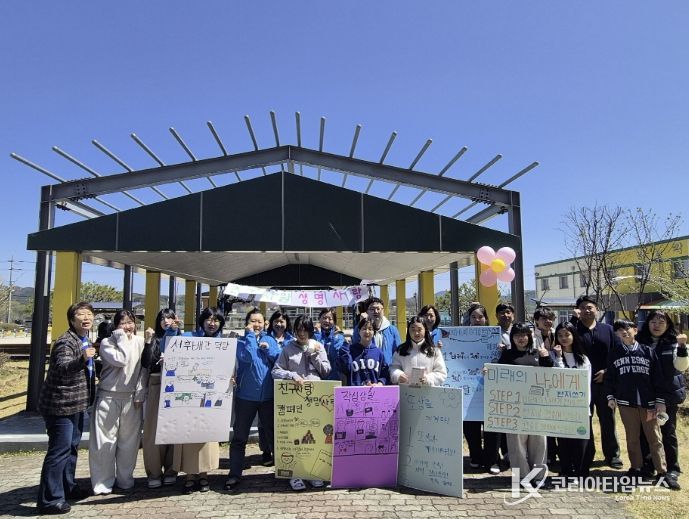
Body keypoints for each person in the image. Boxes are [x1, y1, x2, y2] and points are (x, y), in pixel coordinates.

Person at [37, 302, 97, 515]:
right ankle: (50, 500)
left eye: (89, 314)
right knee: (59, 451)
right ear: (72, 319)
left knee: (71, 448)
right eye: (81, 314)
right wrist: (83, 359)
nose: (86, 317)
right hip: (60, 406)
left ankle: (67, 487)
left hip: (77, 404)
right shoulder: (65, 342)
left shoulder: (83, 338)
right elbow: (63, 367)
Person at [606, 320, 673, 487]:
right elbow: (610, 378)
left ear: (635, 330)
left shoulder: (647, 351)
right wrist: (610, 397)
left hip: (648, 403)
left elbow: (657, 377)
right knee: (632, 437)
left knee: (654, 437)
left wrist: (660, 400)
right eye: (619, 330)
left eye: (627, 328)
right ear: (617, 334)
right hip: (626, 403)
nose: (624, 332)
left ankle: (662, 472)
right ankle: (636, 468)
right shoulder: (615, 353)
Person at [89, 309, 146, 495]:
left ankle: (125, 480)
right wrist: (121, 338)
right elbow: (122, 360)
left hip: (131, 398)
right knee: (104, 442)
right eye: (122, 323)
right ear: (115, 326)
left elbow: (143, 370)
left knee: (129, 443)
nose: (127, 326)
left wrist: (140, 393)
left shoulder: (140, 342)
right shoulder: (107, 343)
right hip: (108, 396)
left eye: (130, 322)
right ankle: (102, 483)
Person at [272, 314, 331, 491]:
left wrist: (314, 356)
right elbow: (275, 371)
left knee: (314, 436)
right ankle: (295, 473)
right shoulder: (288, 348)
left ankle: (312, 473)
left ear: (310, 331)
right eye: (298, 330)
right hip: (294, 400)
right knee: (295, 436)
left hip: (315, 399)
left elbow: (326, 371)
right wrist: (291, 375)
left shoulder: (318, 346)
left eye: (305, 330)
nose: (302, 333)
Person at [225, 309, 280, 491]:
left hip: (268, 397)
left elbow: (279, 359)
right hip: (245, 397)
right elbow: (248, 357)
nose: (256, 324)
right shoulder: (240, 342)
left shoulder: (270, 340)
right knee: (239, 437)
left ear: (265, 324)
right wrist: (249, 336)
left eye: (259, 321)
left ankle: (283, 470)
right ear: (247, 323)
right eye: (253, 321)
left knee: (274, 436)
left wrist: (268, 349)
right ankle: (234, 474)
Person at [173, 307, 223, 494]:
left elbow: (229, 367)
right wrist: (172, 331)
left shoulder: (223, 343)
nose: (212, 323)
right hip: (189, 396)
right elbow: (169, 348)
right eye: (209, 319)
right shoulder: (189, 337)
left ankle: (204, 475)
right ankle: (189, 476)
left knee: (206, 438)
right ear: (202, 320)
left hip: (211, 397)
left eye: (216, 320)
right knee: (188, 436)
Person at [636, 310, 688, 490]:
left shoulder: (674, 343)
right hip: (646, 394)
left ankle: (672, 469)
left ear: (667, 325)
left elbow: (681, 366)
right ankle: (648, 465)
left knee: (667, 432)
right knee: (645, 432)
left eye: (661, 322)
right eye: (653, 321)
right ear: (647, 323)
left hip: (667, 396)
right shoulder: (640, 342)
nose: (656, 325)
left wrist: (682, 346)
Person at [498, 323, 554, 485]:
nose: (521, 338)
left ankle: (538, 476)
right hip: (514, 405)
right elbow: (498, 375)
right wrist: (489, 372)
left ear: (529, 337)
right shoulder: (507, 355)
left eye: (524, 335)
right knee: (516, 443)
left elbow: (551, 373)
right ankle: (522, 476)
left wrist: (546, 357)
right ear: (512, 338)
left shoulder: (538, 353)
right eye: (517, 335)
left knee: (539, 441)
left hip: (537, 405)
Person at [575, 295, 623, 470]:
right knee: (584, 421)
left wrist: (607, 372)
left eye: (590, 307)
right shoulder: (573, 330)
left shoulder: (608, 329)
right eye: (583, 307)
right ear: (578, 310)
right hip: (581, 384)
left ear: (596, 309)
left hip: (605, 384)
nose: (587, 310)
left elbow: (619, 353)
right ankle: (586, 455)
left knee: (608, 420)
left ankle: (613, 455)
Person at [141, 308, 182, 488]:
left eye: (170, 317)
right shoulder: (154, 339)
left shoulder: (181, 338)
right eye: (163, 318)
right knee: (153, 430)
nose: (166, 321)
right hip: (157, 383)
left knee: (174, 428)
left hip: (177, 385)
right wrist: (148, 342)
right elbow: (146, 363)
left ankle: (172, 470)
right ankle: (154, 472)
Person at [463, 303, 502, 474]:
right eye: (473, 317)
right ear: (469, 320)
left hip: (491, 388)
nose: (477, 320)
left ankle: (492, 459)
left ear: (486, 318)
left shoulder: (495, 337)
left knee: (492, 425)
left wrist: (502, 351)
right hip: (468, 388)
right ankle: (475, 456)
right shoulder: (461, 337)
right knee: (470, 424)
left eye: (480, 317)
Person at [552, 321, 591, 478]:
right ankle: (566, 470)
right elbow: (558, 378)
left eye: (567, 334)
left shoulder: (583, 359)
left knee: (580, 442)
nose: (563, 338)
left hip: (579, 407)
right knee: (563, 442)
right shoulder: (552, 356)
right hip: (560, 407)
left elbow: (585, 384)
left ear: (574, 336)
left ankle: (581, 472)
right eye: (560, 335)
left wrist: (585, 407)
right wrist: (558, 358)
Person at [532, 306, 558, 465]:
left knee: (555, 418)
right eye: (543, 319)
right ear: (536, 321)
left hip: (556, 381)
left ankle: (555, 452)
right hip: (538, 381)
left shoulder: (557, 334)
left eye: (550, 318)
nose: (548, 321)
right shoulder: (531, 336)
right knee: (542, 420)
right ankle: (547, 453)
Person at [389, 316, 447, 386]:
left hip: (428, 390)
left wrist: (428, 379)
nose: (416, 333)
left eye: (419, 329)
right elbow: (393, 367)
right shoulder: (401, 350)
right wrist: (398, 375)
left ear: (425, 330)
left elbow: (441, 373)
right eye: (413, 329)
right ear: (408, 330)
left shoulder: (434, 351)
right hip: (406, 390)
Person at [339, 316, 389, 386]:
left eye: (370, 329)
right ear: (359, 331)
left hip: (374, 391)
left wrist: (379, 384)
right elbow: (345, 369)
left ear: (374, 332)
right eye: (364, 329)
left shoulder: (379, 353)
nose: (367, 332)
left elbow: (385, 375)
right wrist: (345, 347)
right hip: (355, 392)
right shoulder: (350, 350)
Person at [351, 297, 401, 365]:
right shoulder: (359, 329)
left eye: (378, 309)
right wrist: (362, 324)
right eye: (372, 309)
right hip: (368, 367)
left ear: (383, 311)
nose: (376, 311)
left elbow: (398, 352)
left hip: (387, 368)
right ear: (367, 312)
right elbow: (355, 346)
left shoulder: (392, 330)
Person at [314, 308, 346, 382]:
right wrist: (318, 335)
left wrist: (335, 337)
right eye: (324, 318)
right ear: (319, 319)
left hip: (334, 377)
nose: (327, 321)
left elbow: (334, 354)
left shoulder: (339, 336)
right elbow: (317, 353)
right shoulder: (313, 335)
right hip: (317, 378)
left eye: (330, 319)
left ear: (334, 322)